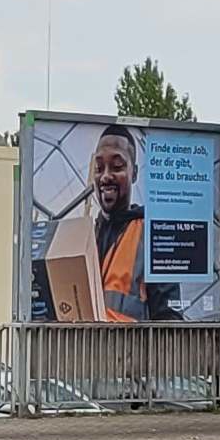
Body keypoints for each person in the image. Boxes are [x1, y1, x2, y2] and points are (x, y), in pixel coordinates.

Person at [89, 127, 152, 323]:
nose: (105, 176)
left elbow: (169, 317)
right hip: (84, 342)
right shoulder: (87, 235)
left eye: (117, 166)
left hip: (133, 343)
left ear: (134, 173)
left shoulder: (151, 234)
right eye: (99, 168)